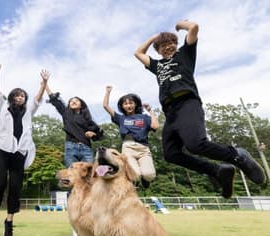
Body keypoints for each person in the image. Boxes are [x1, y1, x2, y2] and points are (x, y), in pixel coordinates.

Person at [134, 19, 266, 198]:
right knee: (171, 154)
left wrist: (181, 25)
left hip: (188, 104)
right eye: (163, 45)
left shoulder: (185, 54)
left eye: (172, 42)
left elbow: (194, 27)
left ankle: (237, 155)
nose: (169, 46)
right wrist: (154, 38)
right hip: (170, 113)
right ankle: (217, 170)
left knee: (196, 144)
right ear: (158, 50)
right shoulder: (157, 66)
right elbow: (138, 52)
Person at [0, 63, 50, 236]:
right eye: (17, 95)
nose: (20, 98)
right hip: (3, 152)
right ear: (12, 98)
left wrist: (44, 84)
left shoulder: (28, 111)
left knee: (15, 188)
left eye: (22, 95)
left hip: (19, 153)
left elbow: (37, 99)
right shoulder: (2, 108)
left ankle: (9, 221)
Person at [103, 85, 159, 188]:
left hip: (143, 148)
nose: (128, 105)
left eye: (131, 103)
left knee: (149, 175)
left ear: (135, 104)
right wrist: (108, 92)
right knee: (135, 174)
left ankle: (145, 180)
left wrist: (150, 111)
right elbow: (106, 106)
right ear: (122, 106)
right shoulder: (121, 118)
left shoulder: (144, 117)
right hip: (128, 148)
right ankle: (134, 180)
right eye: (125, 104)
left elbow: (155, 126)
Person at [45, 84, 104, 168]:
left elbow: (99, 134)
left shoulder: (88, 119)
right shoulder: (66, 113)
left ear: (81, 105)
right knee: (72, 174)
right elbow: (55, 100)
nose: (73, 101)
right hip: (71, 147)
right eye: (71, 101)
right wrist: (45, 84)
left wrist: (93, 134)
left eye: (76, 100)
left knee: (89, 173)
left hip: (86, 148)